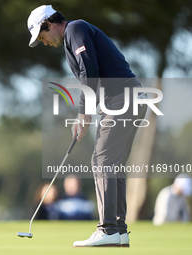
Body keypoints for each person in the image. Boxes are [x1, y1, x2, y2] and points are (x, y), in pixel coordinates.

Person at [27, 5, 147, 247]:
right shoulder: (72, 39)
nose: (45, 42)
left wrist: (83, 113)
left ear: (48, 25)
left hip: (123, 98)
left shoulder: (75, 29)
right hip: (125, 99)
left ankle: (108, 229)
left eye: (42, 36)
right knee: (112, 165)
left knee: (101, 160)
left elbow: (88, 72)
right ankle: (119, 230)